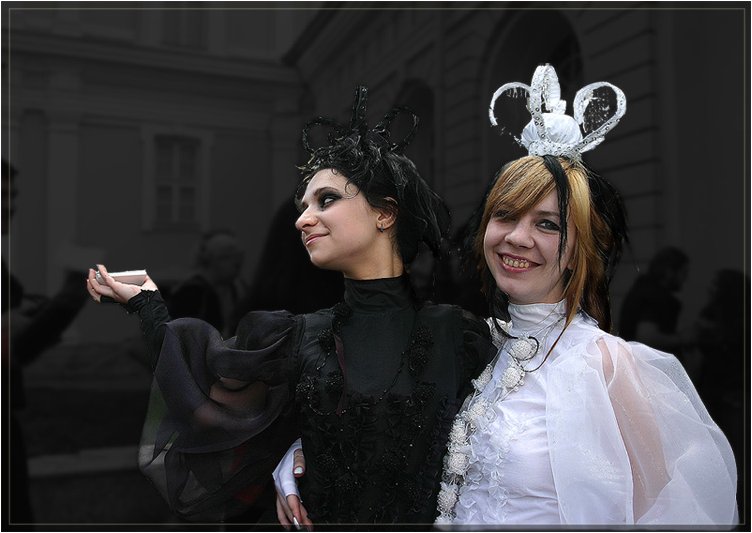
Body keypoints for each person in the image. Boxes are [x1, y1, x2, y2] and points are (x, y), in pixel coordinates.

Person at [274, 66, 738, 527]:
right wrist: (302, 453)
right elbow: (392, 425)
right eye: (505, 216)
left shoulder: (606, 365)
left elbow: (674, 511)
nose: (517, 237)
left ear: (579, 251)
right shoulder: (479, 349)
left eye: (548, 224)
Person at [85, 86, 495, 525]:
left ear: (385, 213)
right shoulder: (299, 337)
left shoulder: (461, 335)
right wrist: (148, 305)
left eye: (327, 200)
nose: (302, 218)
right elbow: (206, 403)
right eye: (303, 206)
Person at [167, 228, 248, 338]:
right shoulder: (191, 292)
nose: (236, 263)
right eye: (227, 257)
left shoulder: (238, 289)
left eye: (238, 257)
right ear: (210, 259)